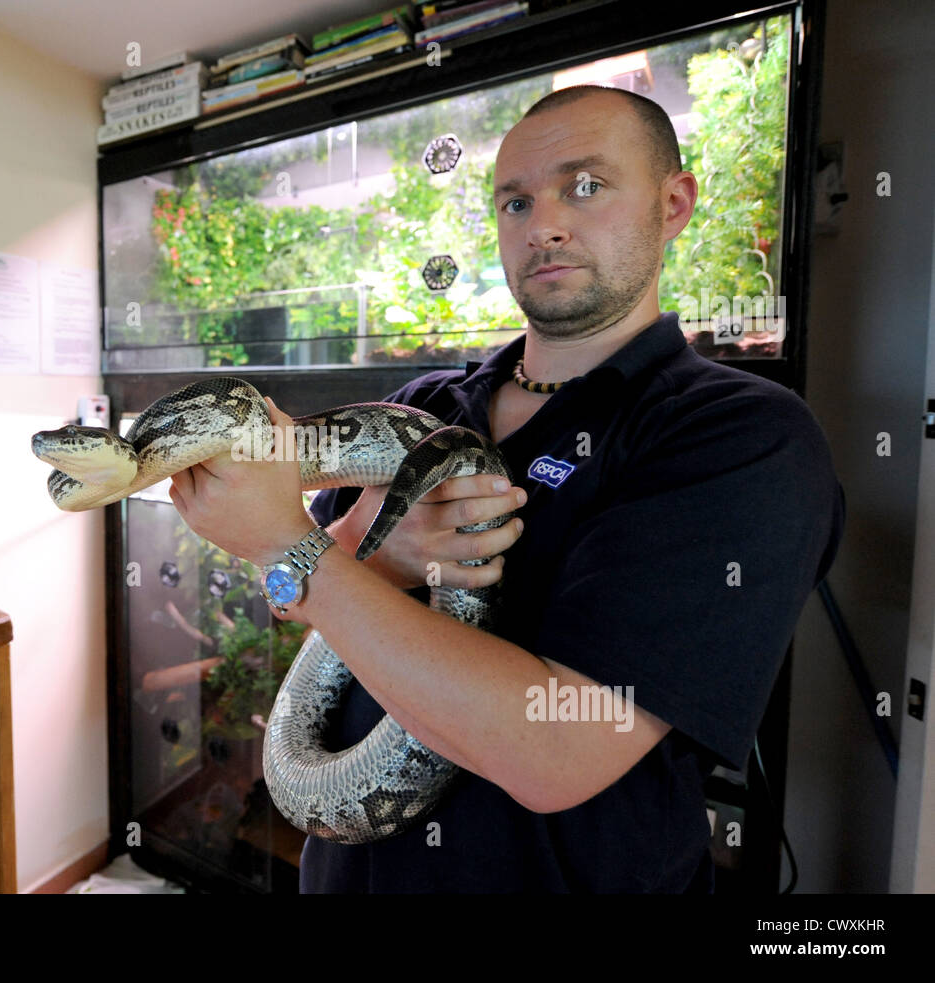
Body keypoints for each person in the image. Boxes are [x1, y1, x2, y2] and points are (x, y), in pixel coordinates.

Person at [168, 84, 846, 893]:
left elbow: (555, 749)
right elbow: (297, 602)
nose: (544, 224)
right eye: (515, 201)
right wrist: (381, 553)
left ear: (674, 204)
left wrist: (295, 546)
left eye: (585, 186)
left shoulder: (736, 435)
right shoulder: (421, 407)